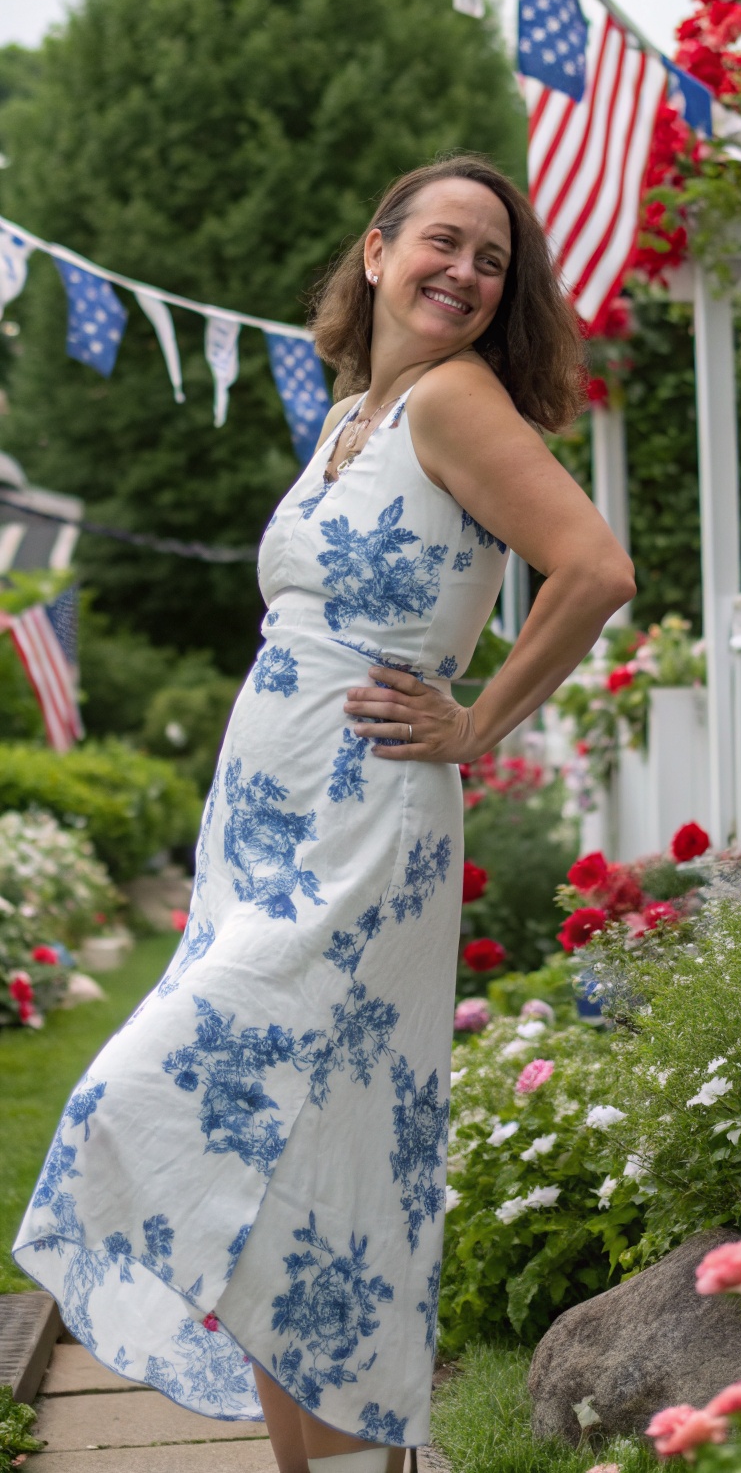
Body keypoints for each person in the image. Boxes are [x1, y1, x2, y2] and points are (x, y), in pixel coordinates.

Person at [14, 154, 634, 1473]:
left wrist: (478, 726)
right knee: (293, 1175)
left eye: (492, 260)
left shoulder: (459, 402)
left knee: (163, 1094)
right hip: (270, 815)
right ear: (375, 251)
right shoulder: (358, 406)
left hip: (363, 823)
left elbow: (593, 569)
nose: (466, 272)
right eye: (445, 244)